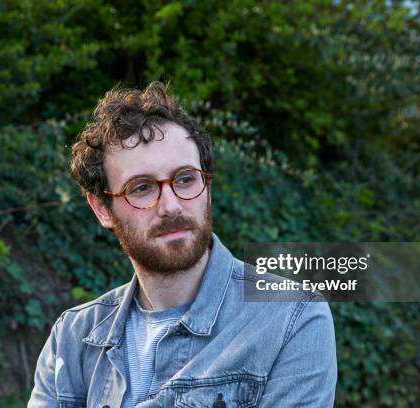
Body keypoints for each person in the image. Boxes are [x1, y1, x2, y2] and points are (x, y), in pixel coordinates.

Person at [27, 82, 337, 408]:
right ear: (102, 208)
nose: (171, 206)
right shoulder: (73, 339)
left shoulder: (290, 318)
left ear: (207, 185)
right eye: (142, 188)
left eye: (186, 179)